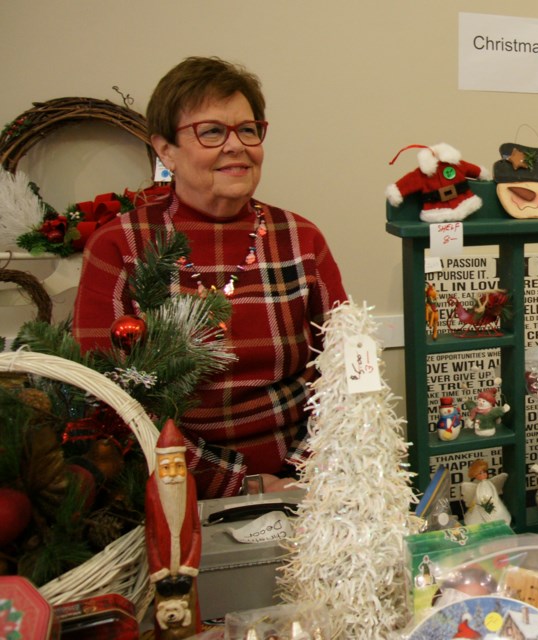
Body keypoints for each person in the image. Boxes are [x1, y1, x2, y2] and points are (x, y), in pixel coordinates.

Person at [73, 57, 347, 498]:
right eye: (212, 131)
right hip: (175, 486)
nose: (236, 146)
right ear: (165, 150)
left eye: (248, 129)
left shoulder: (301, 238)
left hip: (308, 482)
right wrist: (237, 483)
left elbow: (343, 374)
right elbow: (108, 400)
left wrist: (301, 473)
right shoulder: (119, 245)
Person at [145, 419, 201, 637]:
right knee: (165, 616)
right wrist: (159, 571)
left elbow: (196, 529)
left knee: (190, 609)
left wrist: (190, 565)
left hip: (187, 567)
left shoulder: (189, 484)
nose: (174, 474)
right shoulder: (153, 488)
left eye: (178, 466)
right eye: (166, 468)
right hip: (163, 570)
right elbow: (150, 535)